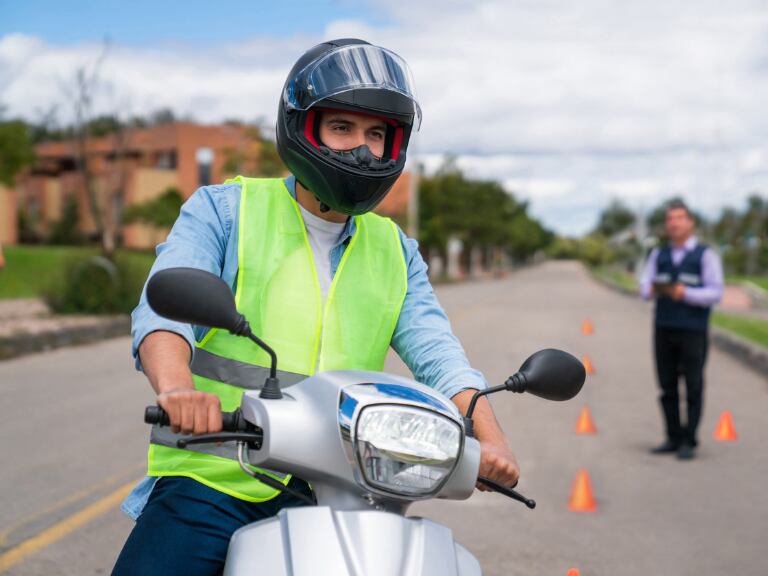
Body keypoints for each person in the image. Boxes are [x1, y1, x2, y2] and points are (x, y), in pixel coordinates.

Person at [113, 39, 520, 575]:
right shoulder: (226, 211)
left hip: (340, 488)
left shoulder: (396, 250)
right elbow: (164, 307)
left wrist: (492, 440)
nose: (362, 150)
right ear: (303, 127)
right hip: (214, 483)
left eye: (377, 135)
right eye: (343, 128)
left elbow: (439, 353)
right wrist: (176, 389)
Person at [639, 199, 723, 460]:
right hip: (663, 327)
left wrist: (685, 293)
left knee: (693, 386)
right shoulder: (658, 254)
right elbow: (643, 286)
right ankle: (672, 437)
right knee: (667, 385)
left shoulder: (705, 255)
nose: (673, 223)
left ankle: (689, 439)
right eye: (669, 219)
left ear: (690, 222)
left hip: (693, 330)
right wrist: (652, 289)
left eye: (679, 218)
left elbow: (715, 292)